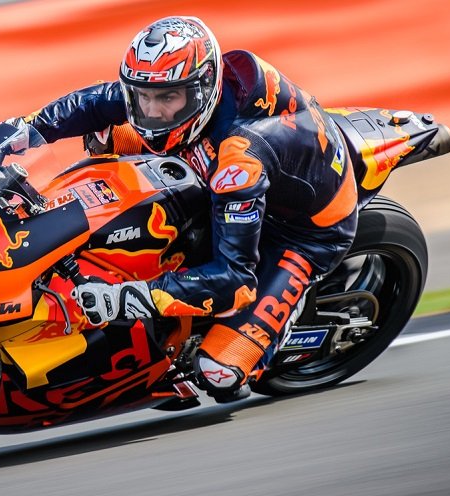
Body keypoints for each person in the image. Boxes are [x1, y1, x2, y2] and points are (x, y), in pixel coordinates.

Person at [20, 16, 358, 402]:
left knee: (219, 373)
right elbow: (90, 104)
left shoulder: (240, 162)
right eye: (144, 96)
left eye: (167, 99)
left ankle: (272, 334)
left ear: (202, 89)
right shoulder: (174, 85)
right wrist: (20, 135)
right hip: (246, 173)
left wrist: (127, 297)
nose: (152, 111)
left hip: (302, 232)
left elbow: (235, 281)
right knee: (107, 134)